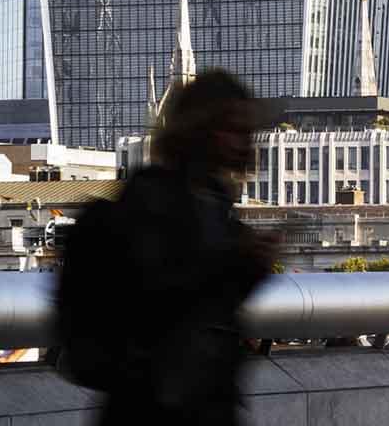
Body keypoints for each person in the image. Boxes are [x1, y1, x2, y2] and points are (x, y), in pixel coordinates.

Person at [100, 70, 275, 426]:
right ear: (202, 130)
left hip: (201, 403)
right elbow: (159, 300)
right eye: (235, 130)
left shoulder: (214, 203)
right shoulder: (154, 200)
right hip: (156, 409)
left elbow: (212, 305)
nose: (245, 143)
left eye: (248, 132)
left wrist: (248, 270)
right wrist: (234, 263)